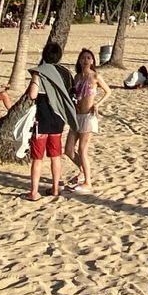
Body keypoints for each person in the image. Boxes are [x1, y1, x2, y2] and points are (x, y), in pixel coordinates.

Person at [25, 42, 77, 201]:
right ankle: (55, 188)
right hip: (58, 120)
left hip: (42, 120)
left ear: (44, 55)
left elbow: (32, 95)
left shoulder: (40, 73)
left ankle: (34, 192)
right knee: (55, 156)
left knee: (38, 158)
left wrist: (34, 78)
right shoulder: (66, 73)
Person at [67, 48, 111, 193]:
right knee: (68, 149)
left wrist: (97, 104)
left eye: (89, 58)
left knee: (82, 150)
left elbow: (108, 91)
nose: (86, 60)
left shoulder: (96, 76)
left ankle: (88, 181)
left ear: (92, 61)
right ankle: (82, 171)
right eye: (83, 58)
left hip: (88, 116)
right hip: (76, 115)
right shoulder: (77, 77)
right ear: (79, 60)